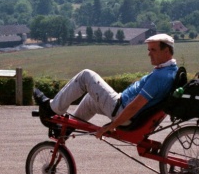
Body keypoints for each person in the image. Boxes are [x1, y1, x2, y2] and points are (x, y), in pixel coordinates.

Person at [34, 33, 178, 137]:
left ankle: (52, 108)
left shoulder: (160, 76)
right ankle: (65, 130)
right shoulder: (170, 70)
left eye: (153, 50)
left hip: (121, 111)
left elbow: (135, 106)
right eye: (148, 50)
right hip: (122, 107)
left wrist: (111, 126)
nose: (149, 54)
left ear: (166, 51)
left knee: (86, 75)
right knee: (91, 100)